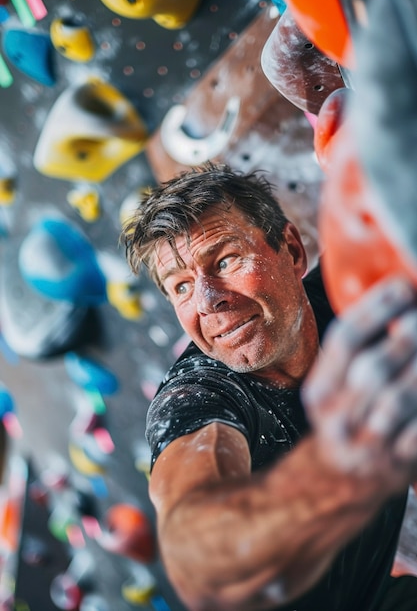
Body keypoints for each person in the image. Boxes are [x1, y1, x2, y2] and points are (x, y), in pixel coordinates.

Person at [121, 161, 417, 611]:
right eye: (181, 287)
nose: (208, 300)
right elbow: (202, 557)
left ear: (293, 251)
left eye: (225, 260)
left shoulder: (351, 292)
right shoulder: (194, 401)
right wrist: (337, 469)